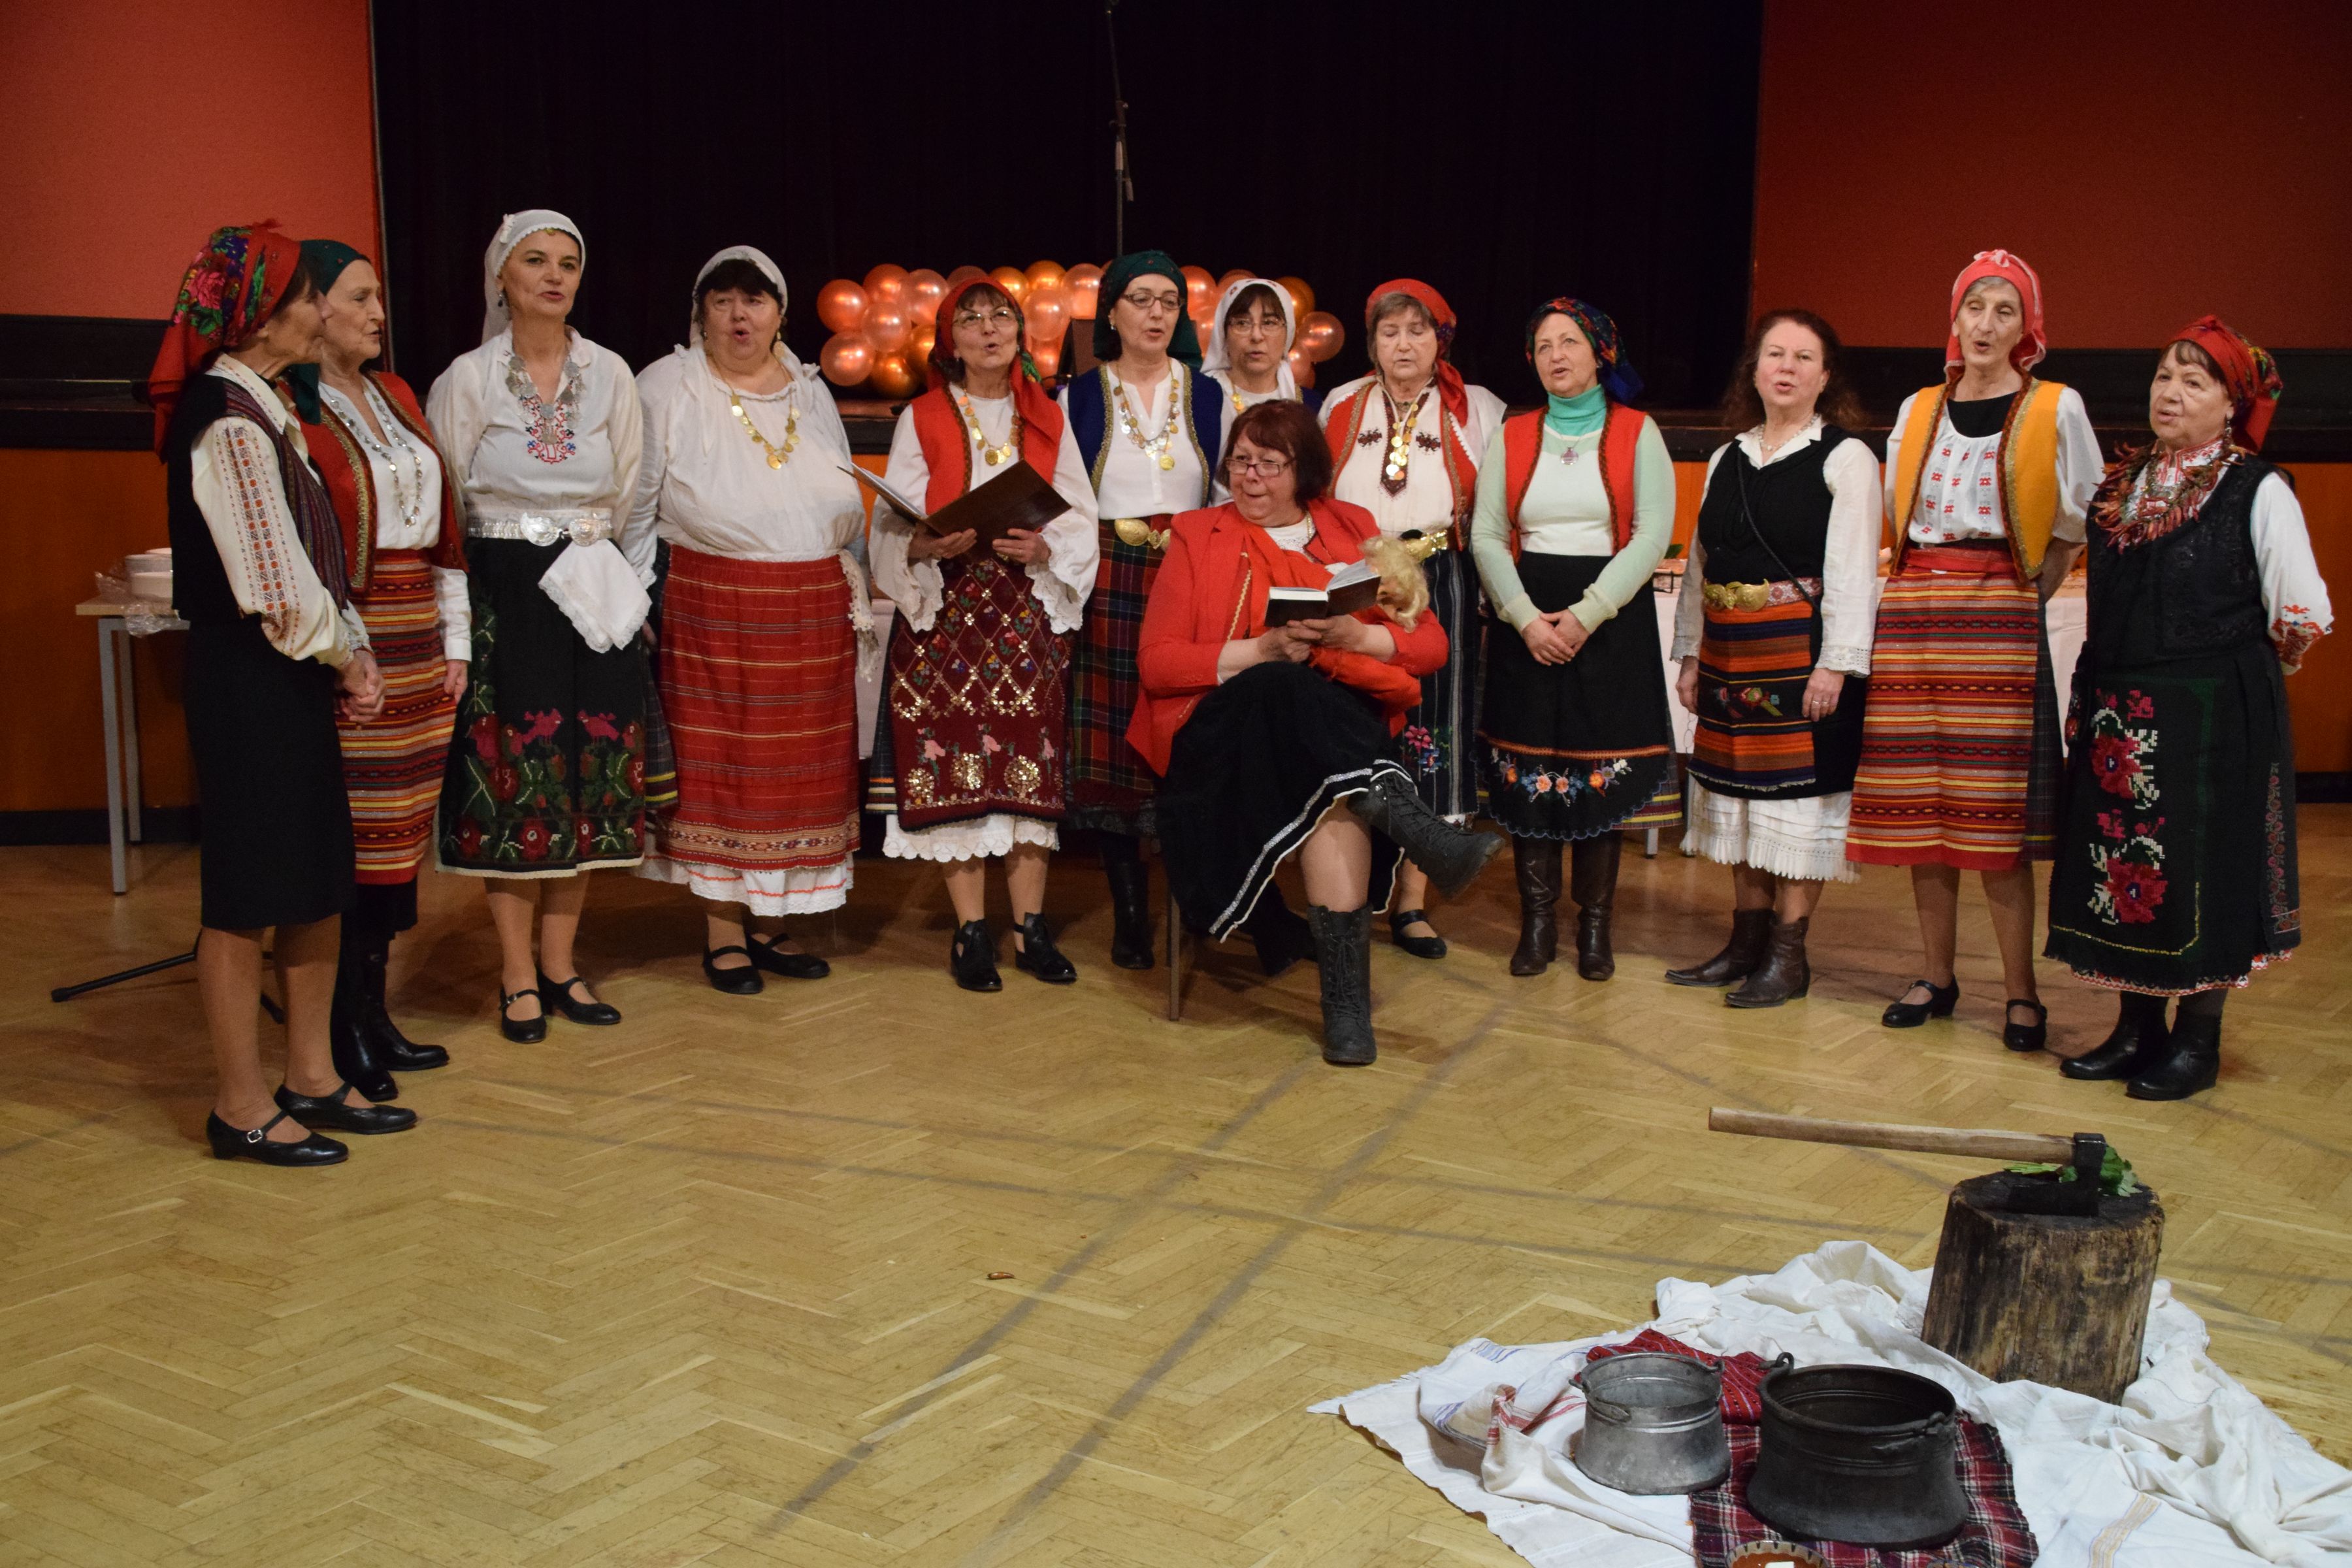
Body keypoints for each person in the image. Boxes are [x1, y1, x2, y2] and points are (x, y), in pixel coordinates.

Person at [150, 223, 414, 1163]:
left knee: (313, 882)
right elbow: (272, 579)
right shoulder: (227, 418)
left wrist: (348, 648)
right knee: (247, 893)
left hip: (286, 673)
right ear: (261, 317)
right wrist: (345, 655)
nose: (320, 310)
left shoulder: (265, 405)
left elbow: (307, 561)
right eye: (307, 296)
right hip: (249, 678)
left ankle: (311, 1074)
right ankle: (240, 1104)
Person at [1134, 401, 1501, 1064]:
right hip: (1222, 735)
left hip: (1330, 740)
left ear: (1303, 471)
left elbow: (1432, 647)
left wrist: (1356, 637)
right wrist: (1263, 650)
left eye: (1269, 465)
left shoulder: (1350, 526)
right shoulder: (1196, 534)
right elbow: (1158, 665)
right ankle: (1421, 834)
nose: (1250, 477)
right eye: (1241, 462)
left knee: (1334, 789)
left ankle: (1347, 1011)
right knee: (1283, 685)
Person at [2046, 318, 2330, 1099]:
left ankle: (2197, 1043)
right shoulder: (2121, 488)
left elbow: (2302, 613)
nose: (2170, 393)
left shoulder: (2257, 489)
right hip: (2123, 717)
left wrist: (2249, 676)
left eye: (2194, 382)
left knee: (2209, 872)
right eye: (2165, 376)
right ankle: (2136, 1030)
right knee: (2128, 868)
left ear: (2231, 404)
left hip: (2214, 719)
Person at [1848, 250, 2100, 1051]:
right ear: (1954, 319)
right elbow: (1896, 512)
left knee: (1996, 820)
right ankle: (1937, 975)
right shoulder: (1919, 408)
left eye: (2005, 310)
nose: (1986, 325)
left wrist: (2031, 589)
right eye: (1974, 308)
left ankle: (2022, 993)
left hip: (1998, 613)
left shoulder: (2055, 406)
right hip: (1917, 610)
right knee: (1924, 809)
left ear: (2028, 326)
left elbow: (2082, 516)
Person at [429, 210, 651, 1041]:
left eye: (568, 262)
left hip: (592, 585)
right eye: (535, 260)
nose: (554, 276)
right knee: (519, 775)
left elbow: (631, 490)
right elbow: (447, 503)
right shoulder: (468, 378)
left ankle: (561, 964)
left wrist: (617, 581)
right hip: (507, 594)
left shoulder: (611, 373)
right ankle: (516, 973)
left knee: (589, 774)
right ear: (502, 276)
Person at [632, 246, 868, 992]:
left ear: (780, 314)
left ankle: (771, 921)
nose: (740, 315)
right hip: (713, 606)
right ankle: (724, 932)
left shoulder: (809, 389)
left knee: (795, 780)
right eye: (724, 300)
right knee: (723, 772)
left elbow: (842, 491)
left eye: (755, 300)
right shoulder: (667, 386)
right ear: (700, 312)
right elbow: (635, 501)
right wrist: (635, 595)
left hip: (812, 611)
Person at [871, 277, 1100, 990]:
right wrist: (922, 545)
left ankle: (1031, 928)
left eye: (1001, 316)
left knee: (1029, 760)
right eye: (971, 320)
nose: (989, 329)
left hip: (1025, 610)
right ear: (951, 340)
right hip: (945, 611)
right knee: (953, 760)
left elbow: (1080, 512)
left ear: (1019, 333)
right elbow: (891, 519)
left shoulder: (1048, 415)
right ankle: (971, 930)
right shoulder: (922, 416)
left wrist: (1047, 547)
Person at [283, 240, 465, 1101]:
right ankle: (338, 1027)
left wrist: (456, 644)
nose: (378, 314)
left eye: (379, 297)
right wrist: (343, 647)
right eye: (360, 298)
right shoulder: (293, 406)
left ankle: (372, 1008)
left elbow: (443, 528)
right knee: (356, 836)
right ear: (314, 307)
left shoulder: (395, 393)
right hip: (355, 637)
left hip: (418, 631)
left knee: (402, 835)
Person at [1665, 311, 1882, 1005]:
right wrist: (1691, 654)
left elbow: (1853, 571)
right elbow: (1701, 567)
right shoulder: (1726, 458)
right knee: (1738, 805)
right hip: (1730, 656)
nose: (1787, 367)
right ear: (1754, 370)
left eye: (1804, 357)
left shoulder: (1845, 458)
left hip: (1802, 656)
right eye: (1775, 354)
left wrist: (1837, 664)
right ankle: (1746, 946)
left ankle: (1789, 959)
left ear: (1826, 375)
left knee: (1799, 807)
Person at [1469, 298, 1676, 980]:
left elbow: (1651, 536)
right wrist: (1523, 616)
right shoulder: (1514, 432)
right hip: (1526, 619)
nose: (1555, 355)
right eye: (1543, 346)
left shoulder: (1639, 432)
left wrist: (1587, 614)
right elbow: (1486, 534)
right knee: (1528, 775)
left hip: (1608, 623)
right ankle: (1536, 925)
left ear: (1600, 352)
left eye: (1569, 342)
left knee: (1596, 774)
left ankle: (1594, 929)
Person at [1320, 281, 1507, 962]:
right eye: (1390, 331)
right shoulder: (1342, 403)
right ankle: (1350, 891)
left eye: (1417, 331)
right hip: (1357, 579)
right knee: (1357, 722)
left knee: (1435, 729)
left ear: (1441, 340)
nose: (1403, 344)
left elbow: (1497, 508)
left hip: (1440, 580)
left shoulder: (1478, 408)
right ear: (1372, 342)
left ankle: (1412, 903)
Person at [1059, 250, 1233, 971]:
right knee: (1116, 744)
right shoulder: (1078, 397)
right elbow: (1062, 498)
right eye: (1140, 299)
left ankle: (1195, 900)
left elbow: (1229, 496)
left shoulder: (1210, 396)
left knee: (1188, 732)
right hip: (1110, 574)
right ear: (1112, 312)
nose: (1156, 313)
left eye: (1169, 301)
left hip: (1188, 574)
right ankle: (1130, 912)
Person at [1201, 277, 1318, 415]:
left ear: (1288, 333)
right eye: (1242, 323)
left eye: (1269, 323)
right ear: (1223, 333)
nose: (1256, 336)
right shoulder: (1200, 397)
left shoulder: (1310, 405)